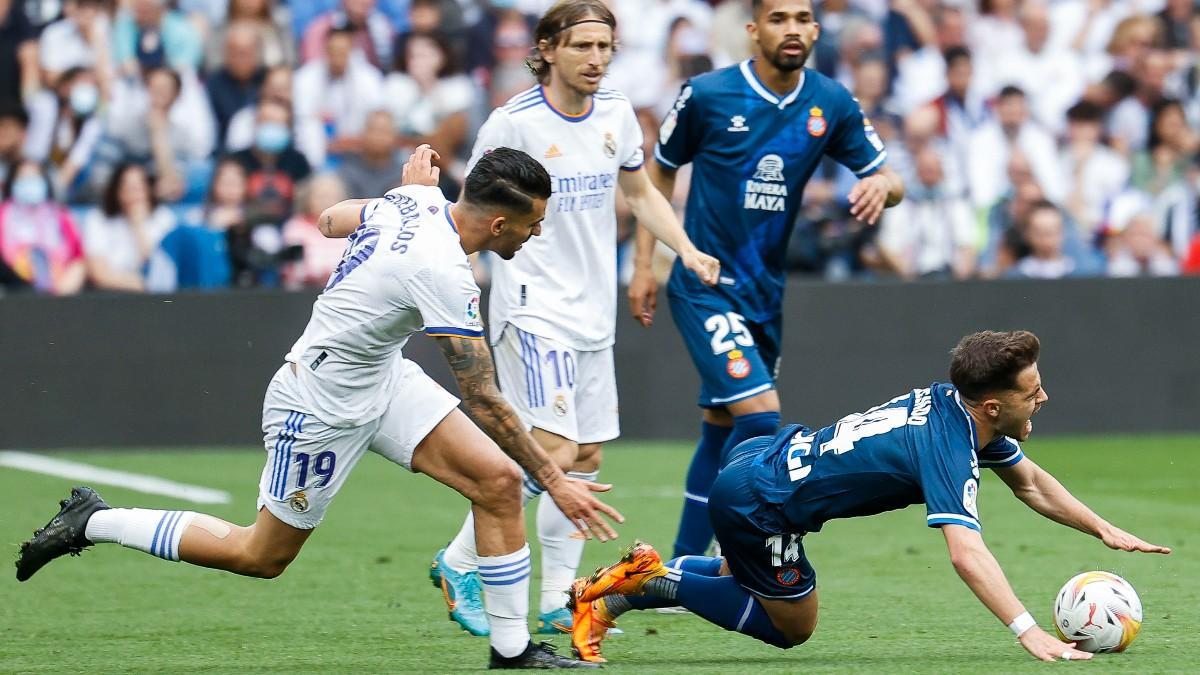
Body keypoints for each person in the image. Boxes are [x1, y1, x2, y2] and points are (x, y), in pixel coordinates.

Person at [15, 146, 618, 670]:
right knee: (261, 555)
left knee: (496, 482)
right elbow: (483, 396)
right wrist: (556, 481)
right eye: (532, 224)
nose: (535, 234)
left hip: (380, 378)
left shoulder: (418, 201)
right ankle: (92, 521)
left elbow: (331, 219)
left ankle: (512, 651)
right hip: (319, 406)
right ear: (497, 223)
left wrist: (402, 201)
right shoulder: (442, 270)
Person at [566, 330, 1172, 664]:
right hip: (762, 502)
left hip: (765, 462)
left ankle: (637, 585)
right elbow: (966, 553)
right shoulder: (948, 444)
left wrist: (1103, 530)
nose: (1043, 400)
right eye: (1033, 393)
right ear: (994, 406)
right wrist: (1028, 631)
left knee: (738, 575)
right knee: (793, 626)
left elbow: (1032, 483)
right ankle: (645, 582)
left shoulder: (960, 409)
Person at [427, 0, 721, 639]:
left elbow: (641, 192)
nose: (595, 59)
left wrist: (687, 249)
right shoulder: (514, 123)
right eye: (582, 46)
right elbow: (470, 210)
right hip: (532, 306)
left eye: (605, 47)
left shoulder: (616, 113)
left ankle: (560, 597)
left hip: (592, 307)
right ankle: (458, 563)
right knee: (553, 448)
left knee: (585, 450)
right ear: (548, 48)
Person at [627, 0, 904, 560]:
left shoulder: (830, 101)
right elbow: (653, 176)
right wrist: (643, 265)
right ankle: (740, 553)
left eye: (802, 18)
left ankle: (677, 568)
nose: (793, 29)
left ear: (816, 30)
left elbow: (888, 176)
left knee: (718, 426)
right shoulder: (707, 95)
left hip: (764, 292)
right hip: (702, 281)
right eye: (779, 19)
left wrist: (884, 189)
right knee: (760, 415)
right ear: (754, 31)